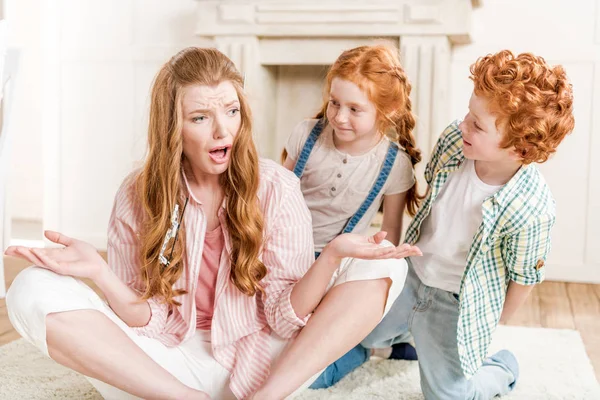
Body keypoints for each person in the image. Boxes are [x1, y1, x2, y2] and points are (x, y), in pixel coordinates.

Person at [5, 47, 420, 400]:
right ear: (173, 128)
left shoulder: (276, 186)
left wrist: (330, 255)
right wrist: (98, 272)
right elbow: (151, 317)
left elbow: (280, 315)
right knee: (29, 287)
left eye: (232, 111)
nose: (224, 129)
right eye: (201, 117)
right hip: (165, 366)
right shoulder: (137, 194)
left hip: (263, 362)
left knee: (386, 264)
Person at [360, 50, 575, 399]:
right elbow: (432, 195)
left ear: (520, 150)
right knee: (364, 333)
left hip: (456, 304)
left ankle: (500, 368)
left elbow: (525, 276)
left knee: (450, 396)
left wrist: (490, 320)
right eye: (467, 115)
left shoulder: (532, 208)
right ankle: (409, 337)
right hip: (412, 274)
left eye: (476, 124)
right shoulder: (453, 142)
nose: (463, 125)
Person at [281, 44, 422, 390]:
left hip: (338, 267)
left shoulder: (393, 164)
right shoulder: (305, 135)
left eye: (354, 109)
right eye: (334, 103)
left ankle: (364, 348)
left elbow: (386, 235)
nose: (339, 116)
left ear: (386, 111)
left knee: (309, 372)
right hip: (284, 253)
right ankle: (369, 346)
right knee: (275, 348)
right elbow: (276, 198)